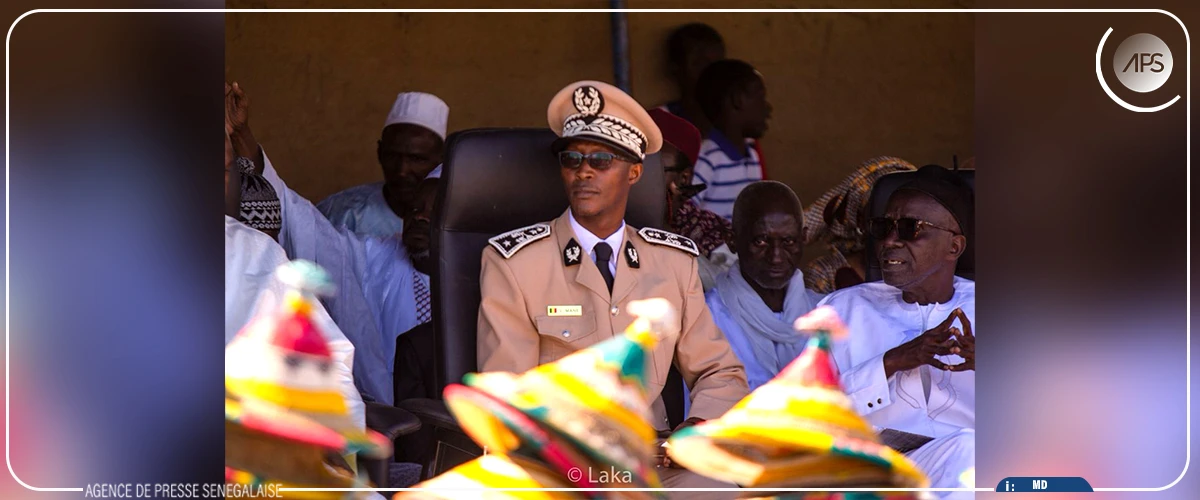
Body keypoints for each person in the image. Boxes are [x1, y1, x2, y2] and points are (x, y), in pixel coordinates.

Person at [476, 80, 749, 496]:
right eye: (572, 159)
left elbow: (720, 371)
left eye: (601, 160)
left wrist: (695, 429)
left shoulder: (672, 262)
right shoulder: (515, 262)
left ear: (634, 171)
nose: (583, 171)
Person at [226, 82, 433, 405]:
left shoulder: (489, 268)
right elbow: (294, 214)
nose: (420, 217)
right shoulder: (371, 257)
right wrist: (242, 135)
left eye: (435, 210)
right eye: (416, 208)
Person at [820, 165, 975, 498]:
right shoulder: (841, 311)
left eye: (910, 229)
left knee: (968, 452)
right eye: (883, 227)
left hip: (972, 469)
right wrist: (891, 362)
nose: (890, 241)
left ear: (954, 247)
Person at [706, 181, 825, 390]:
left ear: (803, 238)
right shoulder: (707, 317)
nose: (776, 257)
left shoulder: (824, 313)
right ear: (732, 240)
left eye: (788, 241)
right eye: (761, 241)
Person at [317, 92, 448, 238]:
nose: (402, 171)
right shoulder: (341, 213)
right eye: (392, 156)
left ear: (442, 161)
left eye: (416, 159)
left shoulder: (457, 221)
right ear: (379, 153)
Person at [648, 108, 735, 291]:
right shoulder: (612, 220)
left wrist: (666, 237)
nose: (637, 177)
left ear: (684, 179)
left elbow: (723, 296)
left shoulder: (714, 234)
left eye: (652, 168)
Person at [803, 156, 917, 293]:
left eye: (908, 224)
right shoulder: (826, 274)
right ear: (861, 223)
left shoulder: (928, 274)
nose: (893, 240)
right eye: (881, 224)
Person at [692, 59, 772, 220]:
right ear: (738, 100)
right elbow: (684, 216)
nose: (768, 108)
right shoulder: (707, 158)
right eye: (761, 98)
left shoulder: (752, 156)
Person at [658, 22, 726, 135]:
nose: (711, 72)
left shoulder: (734, 124)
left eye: (718, 64)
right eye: (699, 63)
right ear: (675, 67)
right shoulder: (657, 124)